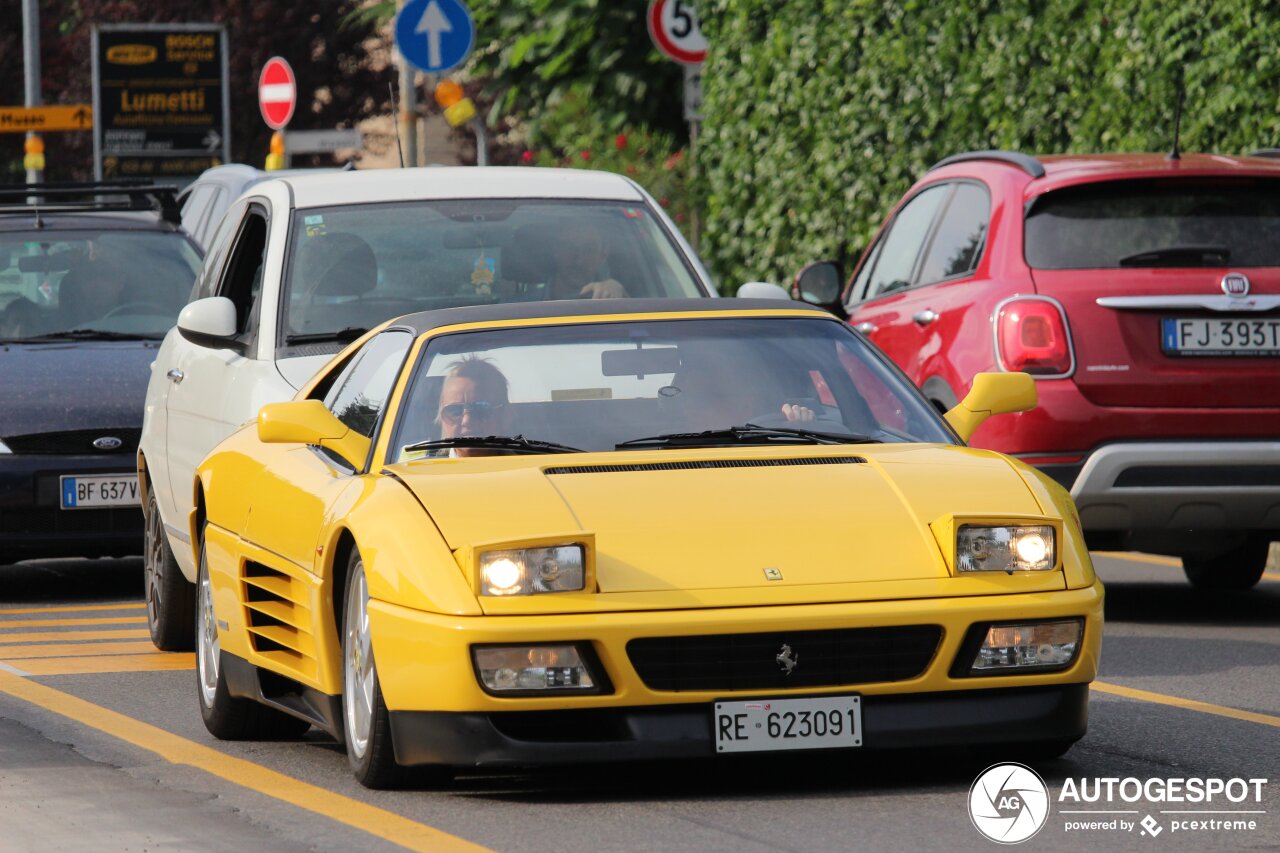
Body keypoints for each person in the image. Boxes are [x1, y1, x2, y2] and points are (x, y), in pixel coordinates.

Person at [434, 356, 512, 457]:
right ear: (441, 419)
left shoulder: (531, 467)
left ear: (505, 416)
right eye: (454, 411)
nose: (466, 421)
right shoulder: (415, 469)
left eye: (481, 409)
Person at [547, 223, 628, 300]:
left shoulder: (610, 300)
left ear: (604, 254)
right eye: (569, 247)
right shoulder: (534, 301)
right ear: (556, 250)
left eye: (589, 250)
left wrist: (621, 296)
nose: (579, 260)